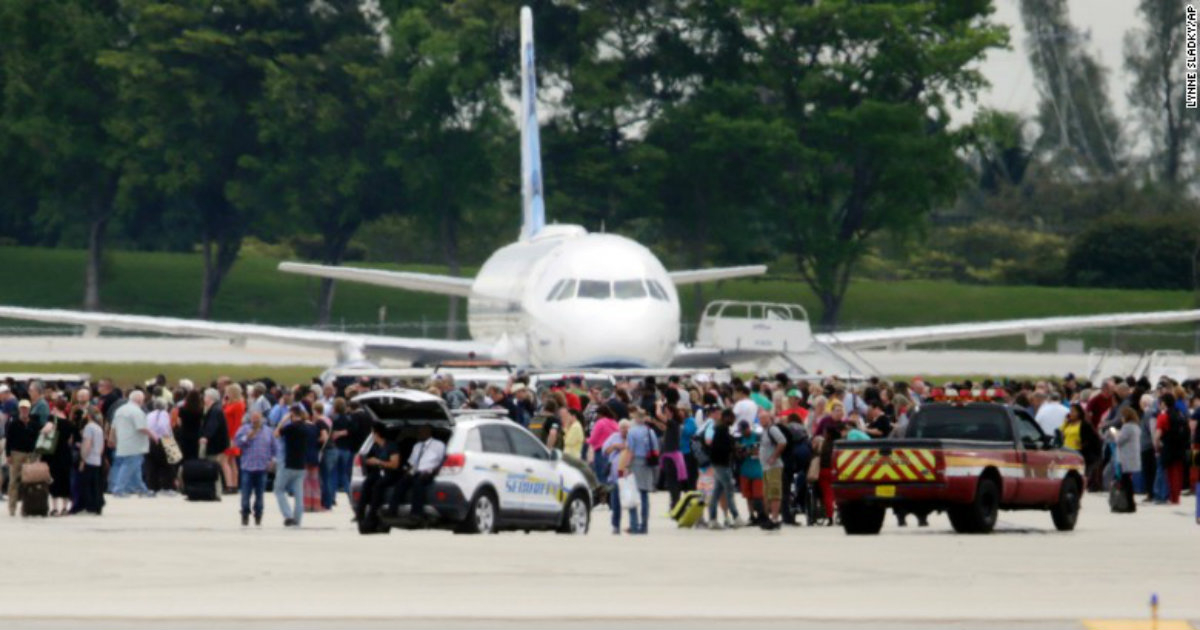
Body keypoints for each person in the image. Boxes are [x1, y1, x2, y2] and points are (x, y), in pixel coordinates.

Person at [390, 424, 446, 523]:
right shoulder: (417, 445)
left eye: (421, 431)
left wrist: (433, 471)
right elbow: (412, 462)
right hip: (415, 471)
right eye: (418, 431)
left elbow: (442, 460)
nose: (418, 434)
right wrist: (407, 471)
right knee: (401, 483)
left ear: (428, 432)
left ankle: (416, 513)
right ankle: (392, 510)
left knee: (418, 484)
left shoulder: (439, 445)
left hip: (429, 472)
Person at [110, 391, 155, 498]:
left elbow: (113, 427)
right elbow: (141, 427)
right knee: (128, 467)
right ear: (139, 400)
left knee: (135, 469)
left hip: (123, 443)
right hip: (135, 445)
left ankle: (141, 489)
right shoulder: (137, 411)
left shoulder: (120, 410)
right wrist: (153, 436)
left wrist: (111, 439)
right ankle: (118, 490)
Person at [274, 405, 313, 527]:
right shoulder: (307, 428)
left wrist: (283, 421)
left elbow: (276, 434)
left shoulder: (290, 427)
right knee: (299, 495)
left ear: (292, 415)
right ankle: (297, 520)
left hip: (288, 463)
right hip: (301, 465)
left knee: (279, 490)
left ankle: (288, 515)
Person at [235, 410, 274, 526]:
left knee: (260, 494)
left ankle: (258, 514)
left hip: (262, 467)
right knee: (245, 494)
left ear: (261, 418)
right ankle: (245, 514)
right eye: (254, 418)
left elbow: (274, 448)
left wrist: (273, 460)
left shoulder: (268, 431)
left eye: (258, 418)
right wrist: (247, 437)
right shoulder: (244, 429)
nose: (256, 420)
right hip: (248, 467)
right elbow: (237, 443)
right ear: (250, 418)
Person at [706, 409, 742, 529]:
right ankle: (736, 517)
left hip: (717, 464)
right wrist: (732, 447)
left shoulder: (719, 429)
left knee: (716, 493)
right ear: (727, 417)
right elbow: (721, 448)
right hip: (722, 464)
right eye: (732, 418)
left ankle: (712, 519)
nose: (733, 421)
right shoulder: (722, 430)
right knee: (729, 492)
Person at [625, 412, 657, 534]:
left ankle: (634, 524)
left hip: (636, 463)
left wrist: (627, 466)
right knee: (644, 495)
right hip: (647, 463)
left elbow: (630, 451)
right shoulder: (650, 431)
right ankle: (644, 525)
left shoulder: (632, 432)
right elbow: (655, 448)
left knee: (632, 494)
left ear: (636, 419)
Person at [44, 404, 78, 516]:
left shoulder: (52, 419)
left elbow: (46, 430)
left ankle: (54, 508)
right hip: (65, 453)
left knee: (53, 480)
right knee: (65, 480)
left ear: (55, 409)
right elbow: (73, 440)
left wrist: (42, 433)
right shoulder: (70, 424)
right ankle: (64, 507)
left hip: (53, 453)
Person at [6, 400, 38, 516]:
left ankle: (27, 507)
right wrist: (8, 455)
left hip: (30, 454)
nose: (24, 411)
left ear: (29, 410)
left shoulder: (34, 424)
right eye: (22, 408)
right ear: (19, 409)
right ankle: (12, 508)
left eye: (26, 408)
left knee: (29, 482)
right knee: (13, 481)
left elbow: (37, 439)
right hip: (16, 454)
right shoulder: (14, 423)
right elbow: (9, 440)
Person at [758, 409, 788, 530]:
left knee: (774, 492)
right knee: (767, 493)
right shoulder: (764, 431)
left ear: (769, 419)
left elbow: (782, 442)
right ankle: (768, 518)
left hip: (774, 466)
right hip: (766, 467)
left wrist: (774, 457)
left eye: (764, 418)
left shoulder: (772, 429)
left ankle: (775, 518)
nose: (762, 421)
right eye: (760, 419)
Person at [602, 420, 631, 534]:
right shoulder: (614, 437)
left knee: (631, 501)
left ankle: (631, 524)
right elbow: (605, 451)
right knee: (615, 501)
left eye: (627, 427)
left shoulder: (632, 437)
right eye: (622, 427)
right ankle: (615, 525)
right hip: (615, 476)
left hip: (629, 474)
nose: (625, 430)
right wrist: (615, 446)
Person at [76, 408, 106, 515]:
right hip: (97, 459)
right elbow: (102, 446)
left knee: (87, 484)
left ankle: (89, 506)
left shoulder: (89, 428)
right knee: (96, 484)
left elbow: (87, 444)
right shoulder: (99, 428)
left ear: (88, 416)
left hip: (89, 459)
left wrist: (83, 459)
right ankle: (97, 505)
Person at [144, 398, 177, 495]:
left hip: (150, 441)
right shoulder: (164, 414)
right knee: (168, 465)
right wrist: (169, 440)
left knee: (151, 465)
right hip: (164, 440)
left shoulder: (149, 414)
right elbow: (163, 426)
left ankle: (152, 487)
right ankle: (167, 487)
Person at [200, 388, 230, 490]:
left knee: (214, 465)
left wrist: (205, 436)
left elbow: (212, 426)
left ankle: (217, 488)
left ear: (210, 398)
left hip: (216, 444)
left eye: (205, 396)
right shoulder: (215, 409)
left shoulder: (215, 410)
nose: (204, 399)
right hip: (219, 443)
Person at [1113, 406, 1141, 513]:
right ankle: (1130, 504)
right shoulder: (1136, 426)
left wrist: (1115, 434)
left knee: (1126, 482)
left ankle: (1129, 504)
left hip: (1126, 457)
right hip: (1133, 457)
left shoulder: (1127, 427)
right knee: (1127, 481)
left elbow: (1119, 440)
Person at [221, 384, 245, 493]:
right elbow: (224, 412)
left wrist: (233, 438)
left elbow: (237, 423)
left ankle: (230, 484)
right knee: (232, 461)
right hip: (227, 434)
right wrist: (224, 403)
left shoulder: (239, 405)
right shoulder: (231, 404)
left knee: (224, 460)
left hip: (231, 436)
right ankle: (234, 485)